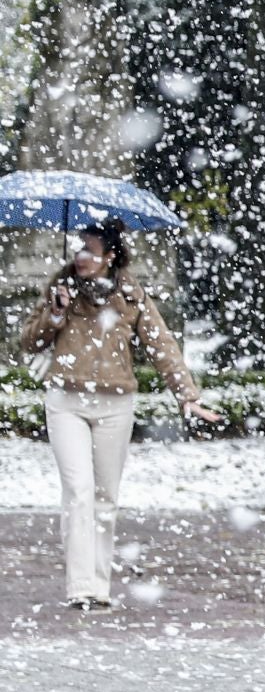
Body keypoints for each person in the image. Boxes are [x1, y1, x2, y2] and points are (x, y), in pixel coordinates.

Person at [19, 219, 222, 609]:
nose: (81, 256)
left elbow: (161, 343)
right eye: (79, 248)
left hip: (115, 404)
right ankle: (80, 587)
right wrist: (56, 314)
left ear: (110, 256)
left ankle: (99, 585)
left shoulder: (131, 295)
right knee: (78, 492)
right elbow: (29, 340)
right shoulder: (61, 289)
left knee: (104, 498)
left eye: (90, 251)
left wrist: (187, 395)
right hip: (66, 401)